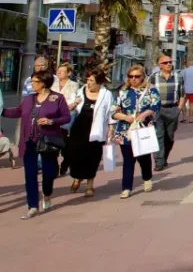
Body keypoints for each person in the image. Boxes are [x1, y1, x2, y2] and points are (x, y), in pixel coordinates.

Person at [2, 70, 71, 219]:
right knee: (30, 174)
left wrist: (51, 121)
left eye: (35, 81)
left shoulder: (57, 98)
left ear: (44, 83)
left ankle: (47, 193)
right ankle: (32, 206)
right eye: (31, 81)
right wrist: (2, 111)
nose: (32, 84)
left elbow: (66, 117)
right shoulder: (29, 99)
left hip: (48, 140)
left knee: (49, 172)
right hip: (29, 141)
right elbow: (17, 112)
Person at [111, 64, 161, 199]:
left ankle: (147, 177)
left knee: (143, 158)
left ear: (142, 77)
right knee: (128, 160)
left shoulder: (150, 90)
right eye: (131, 76)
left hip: (142, 129)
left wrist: (144, 114)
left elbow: (156, 105)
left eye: (137, 76)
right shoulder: (122, 92)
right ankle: (126, 188)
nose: (133, 79)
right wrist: (124, 117)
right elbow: (113, 111)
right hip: (125, 131)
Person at [65, 69, 113, 198]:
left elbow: (111, 112)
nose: (88, 83)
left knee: (93, 158)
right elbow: (68, 107)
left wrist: (111, 129)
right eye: (87, 80)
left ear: (99, 82)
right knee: (76, 155)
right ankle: (77, 177)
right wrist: (74, 103)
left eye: (91, 80)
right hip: (79, 129)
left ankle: (89, 185)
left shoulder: (106, 94)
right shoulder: (80, 91)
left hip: (97, 130)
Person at [150, 55, 183, 171]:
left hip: (173, 109)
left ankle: (164, 158)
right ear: (159, 65)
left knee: (169, 137)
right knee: (159, 136)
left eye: (170, 62)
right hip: (158, 110)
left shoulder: (178, 77)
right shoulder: (153, 78)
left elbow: (182, 95)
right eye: (165, 63)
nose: (168, 64)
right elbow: (148, 94)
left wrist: (179, 109)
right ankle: (159, 162)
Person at [53, 63, 82, 175]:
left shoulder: (74, 85)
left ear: (69, 73)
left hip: (67, 117)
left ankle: (65, 163)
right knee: (53, 144)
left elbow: (77, 99)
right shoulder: (52, 84)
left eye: (62, 71)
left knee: (66, 144)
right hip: (54, 117)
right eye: (58, 70)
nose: (59, 72)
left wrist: (73, 104)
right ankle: (54, 168)